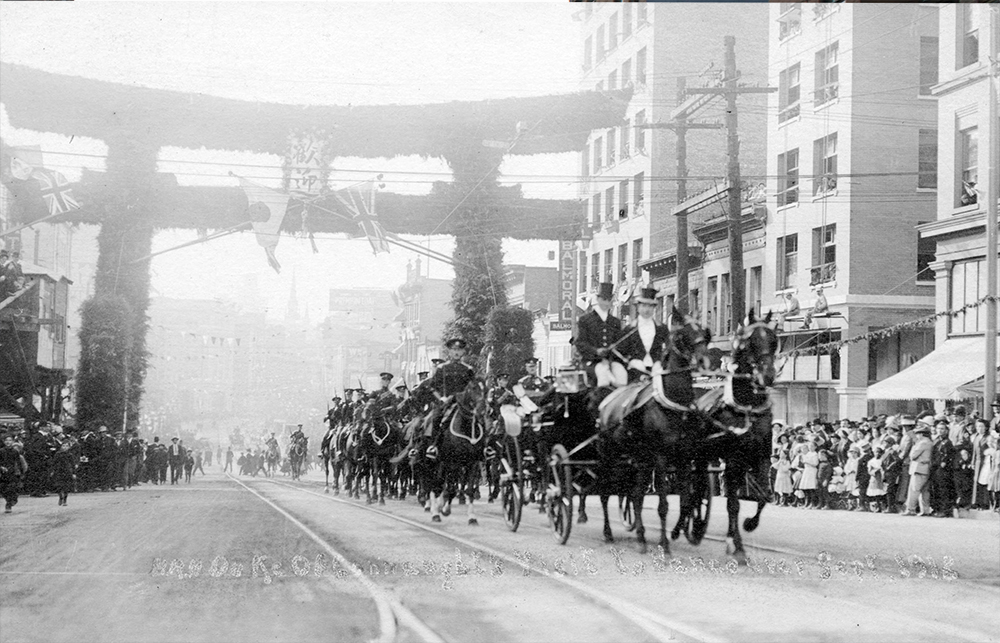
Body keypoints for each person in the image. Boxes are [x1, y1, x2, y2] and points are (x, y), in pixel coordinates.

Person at [422, 338, 477, 460]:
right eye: (454, 349)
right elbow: (432, 387)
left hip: (463, 403)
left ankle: (481, 446)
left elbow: (474, 387)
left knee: (479, 419)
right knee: (436, 418)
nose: (457, 352)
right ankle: (433, 446)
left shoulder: (468, 369)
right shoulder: (442, 368)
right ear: (449, 351)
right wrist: (441, 398)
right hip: (446, 402)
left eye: (459, 349)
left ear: (463, 352)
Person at [574, 281, 626, 388]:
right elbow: (580, 343)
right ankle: (598, 403)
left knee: (623, 376)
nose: (606, 303)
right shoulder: (585, 320)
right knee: (603, 377)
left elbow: (621, 343)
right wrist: (596, 351)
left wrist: (615, 348)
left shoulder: (615, 322)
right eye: (603, 300)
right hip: (591, 362)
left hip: (611, 361)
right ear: (598, 299)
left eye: (609, 300)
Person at [618, 286, 670, 383]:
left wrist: (660, 363)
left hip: (657, 371)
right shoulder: (630, 329)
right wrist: (632, 362)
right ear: (638, 307)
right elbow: (621, 352)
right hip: (635, 372)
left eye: (650, 306)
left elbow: (669, 349)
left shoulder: (662, 328)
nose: (647, 310)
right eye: (644, 306)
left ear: (654, 308)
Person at [904, 420, 933, 516]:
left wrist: (915, 445)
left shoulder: (922, 443)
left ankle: (910, 509)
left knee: (914, 490)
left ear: (921, 434)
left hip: (919, 468)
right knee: (925, 491)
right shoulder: (929, 442)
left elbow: (913, 455)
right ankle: (925, 510)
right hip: (925, 468)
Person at [0, 434, 29, 513]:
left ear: (12, 442)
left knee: (13, 488)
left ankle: (9, 504)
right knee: (4, 489)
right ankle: (8, 501)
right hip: (3, 473)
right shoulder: (1, 451)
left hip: (13, 473)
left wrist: (21, 472)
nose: (8, 442)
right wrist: (1, 467)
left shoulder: (15, 451)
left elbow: (18, 462)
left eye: (10, 440)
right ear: (4, 442)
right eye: (6, 440)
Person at [50, 441, 76, 506]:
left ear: (69, 447)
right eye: (63, 446)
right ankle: (60, 497)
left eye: (67, 446)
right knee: (59, 486)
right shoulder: (57, 454)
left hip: (67, 471)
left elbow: (72, 464)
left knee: (66, 486)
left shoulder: (70, 455)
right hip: (58, 471)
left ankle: (65, 499)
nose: (65, 447)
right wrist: (52, 471)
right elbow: (54, 463)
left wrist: (74, 473)